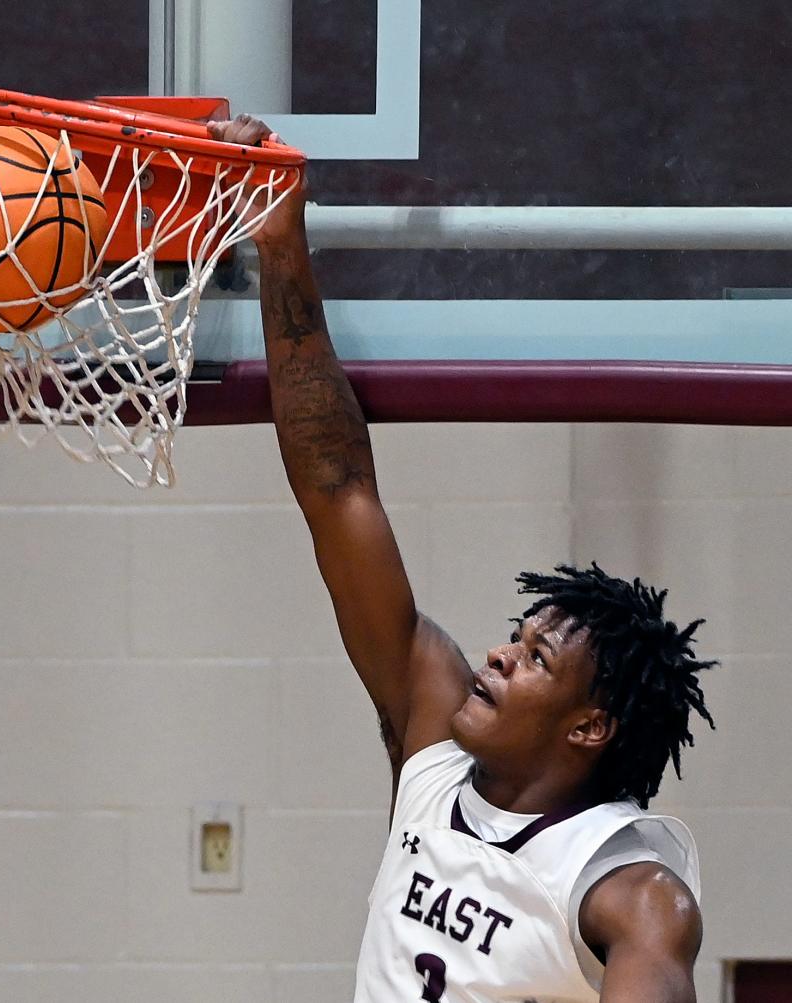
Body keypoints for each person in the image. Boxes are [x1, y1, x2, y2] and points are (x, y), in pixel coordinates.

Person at [207, 115, 717, 1003]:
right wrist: (283, 241)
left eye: (534, 659)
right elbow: (337, 486)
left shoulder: (631, 888)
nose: (496, 654)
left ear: (589, 726)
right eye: (515, 638)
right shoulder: (433, 743)